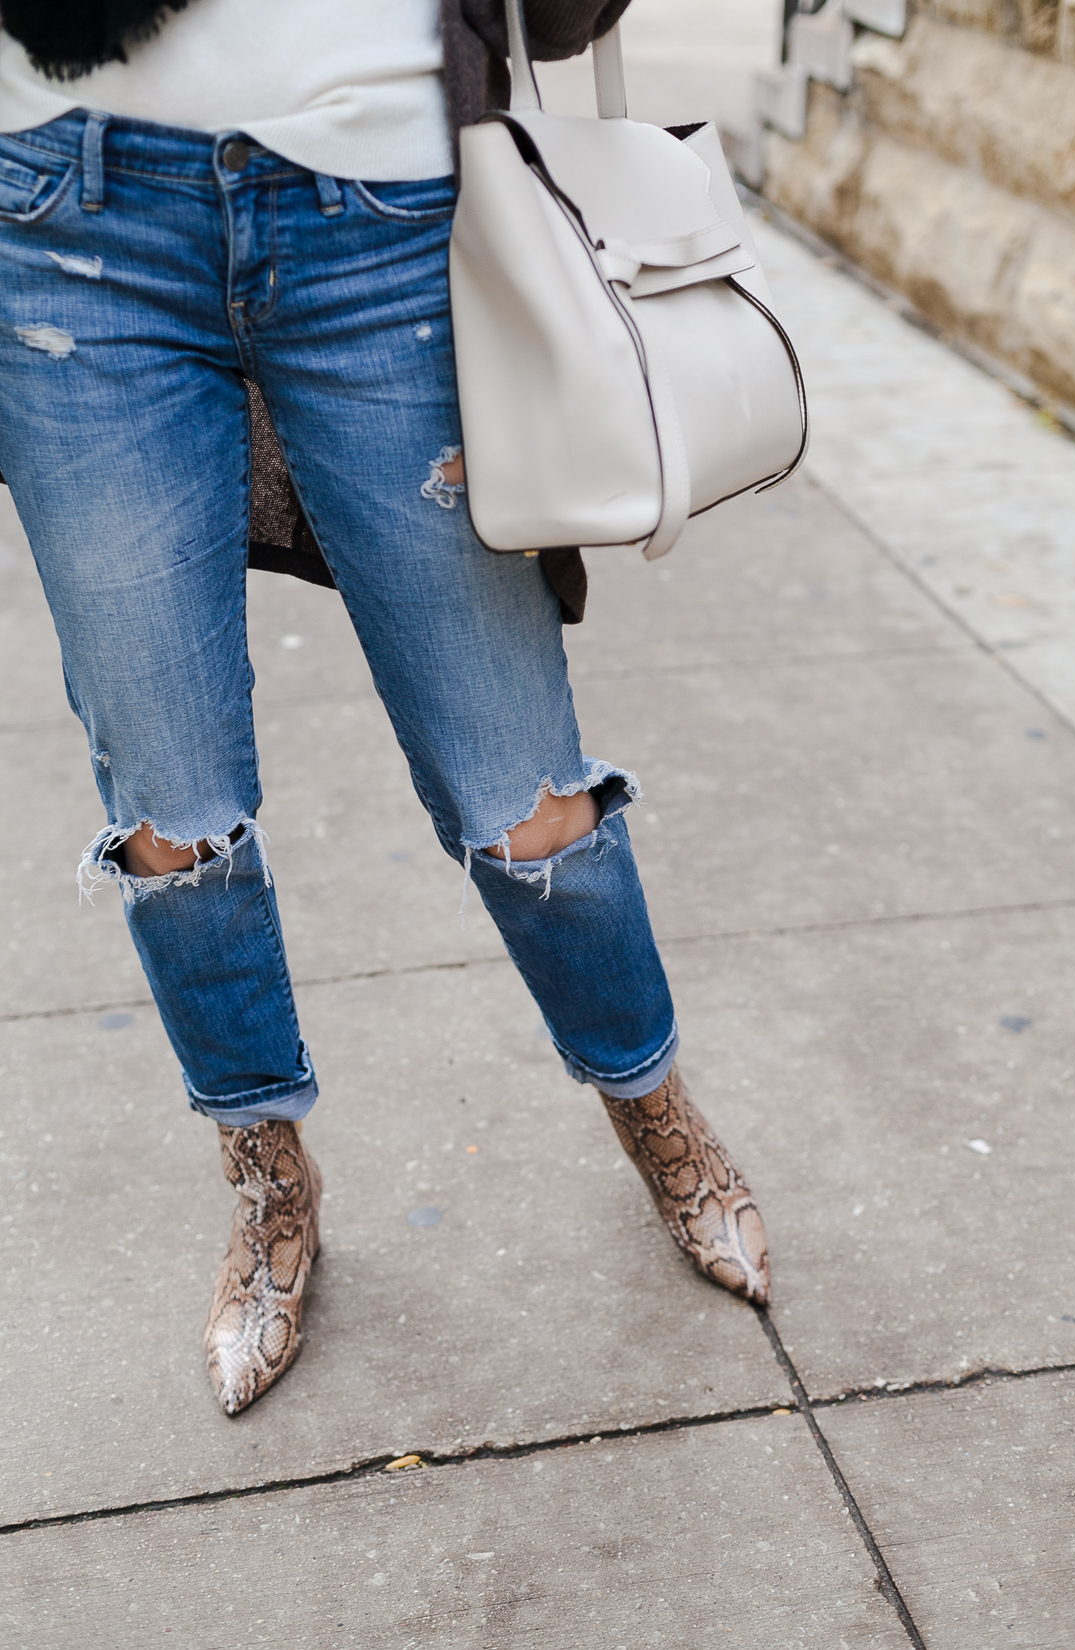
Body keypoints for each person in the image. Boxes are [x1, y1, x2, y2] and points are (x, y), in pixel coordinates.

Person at [0, 0, 769, 1417]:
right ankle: (265, 1172)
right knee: (172, 814)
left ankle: (646, 1094)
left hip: (384, 208)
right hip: (67, 216)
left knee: (521, 789)